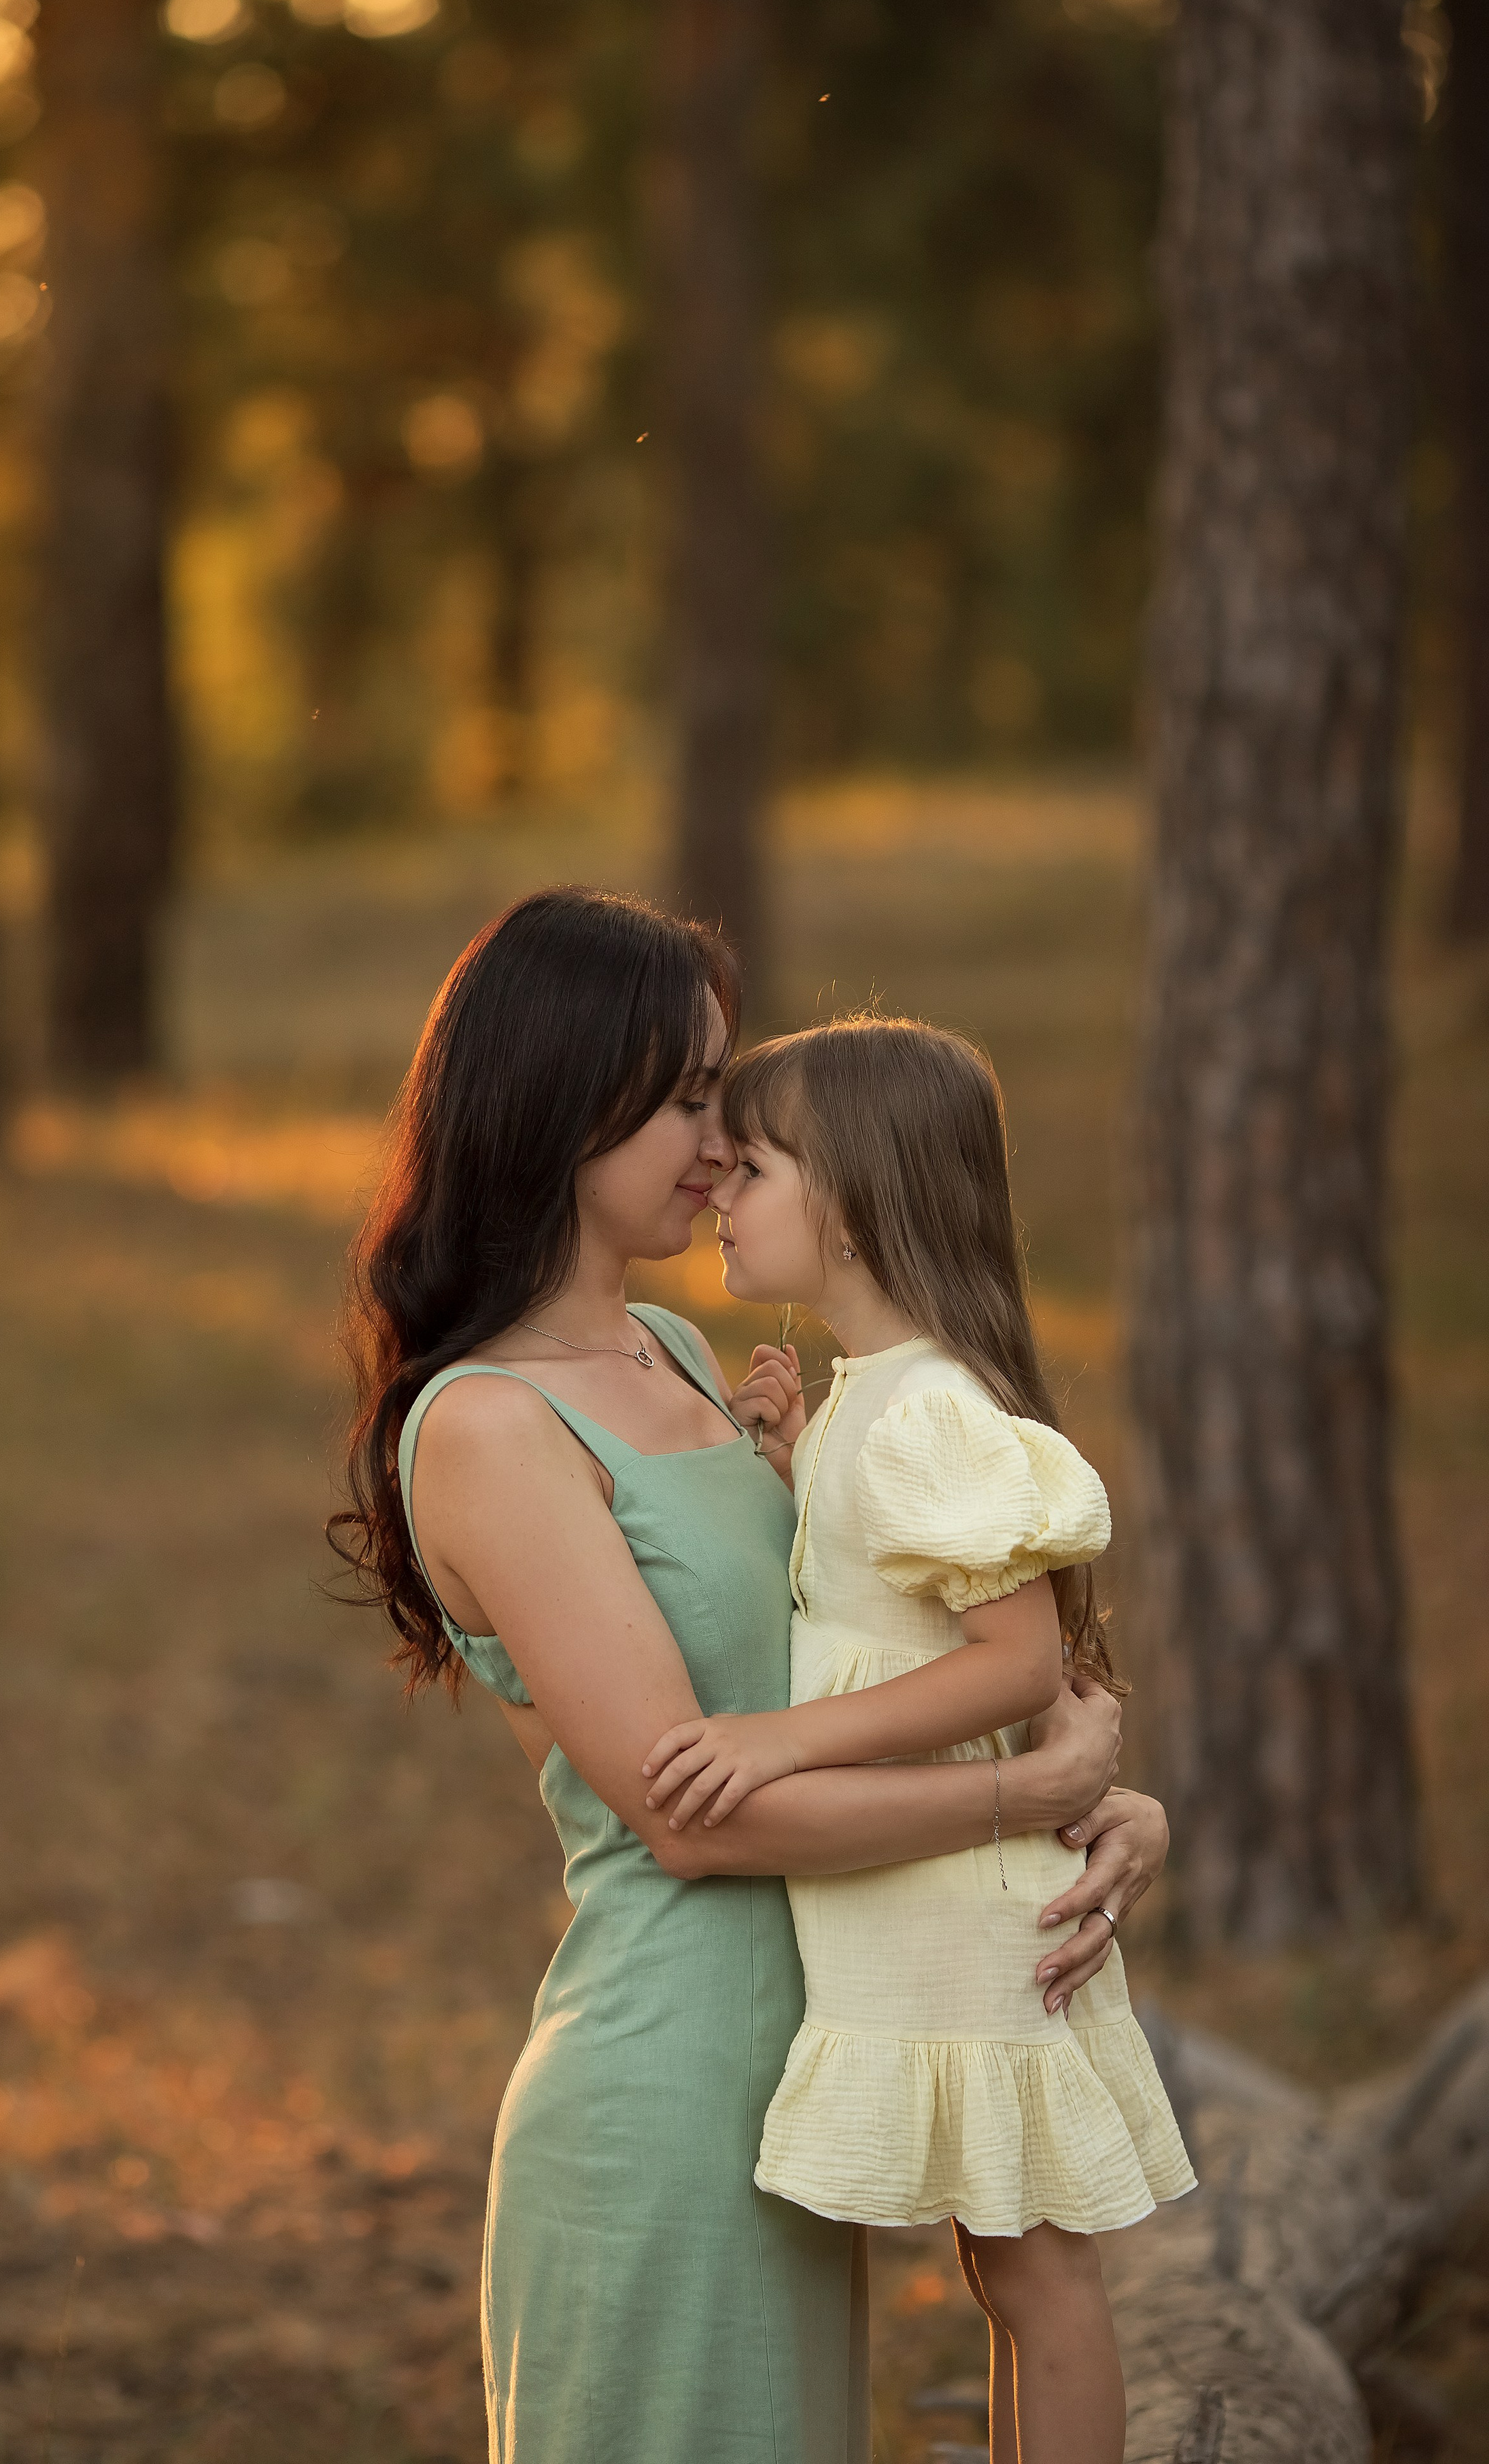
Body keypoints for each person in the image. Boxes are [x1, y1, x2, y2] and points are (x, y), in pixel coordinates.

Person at [331, 889, 1170, 2464]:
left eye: (723, 1102)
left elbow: (892, 1652)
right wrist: (1016, 1793)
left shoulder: (683, 1357)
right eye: (690, 1097)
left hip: (797, 2080)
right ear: (566, 1098)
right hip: (664, 2090)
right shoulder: (491, 1427)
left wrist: (1097, 1803)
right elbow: (695, 1819)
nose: (720, 1144)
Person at [642, 1015, 1196, 2464]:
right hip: (922, 1903)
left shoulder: (921, 1411)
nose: (716, 1190)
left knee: (1033, 2270)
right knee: (996, 2260)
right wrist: (779, 1461)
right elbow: (881, 1603)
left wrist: (779, 1741)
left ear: (854, 1198)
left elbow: (1008, 1668)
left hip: (973, 1907)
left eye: (749, 1166)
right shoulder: (864, 1400)